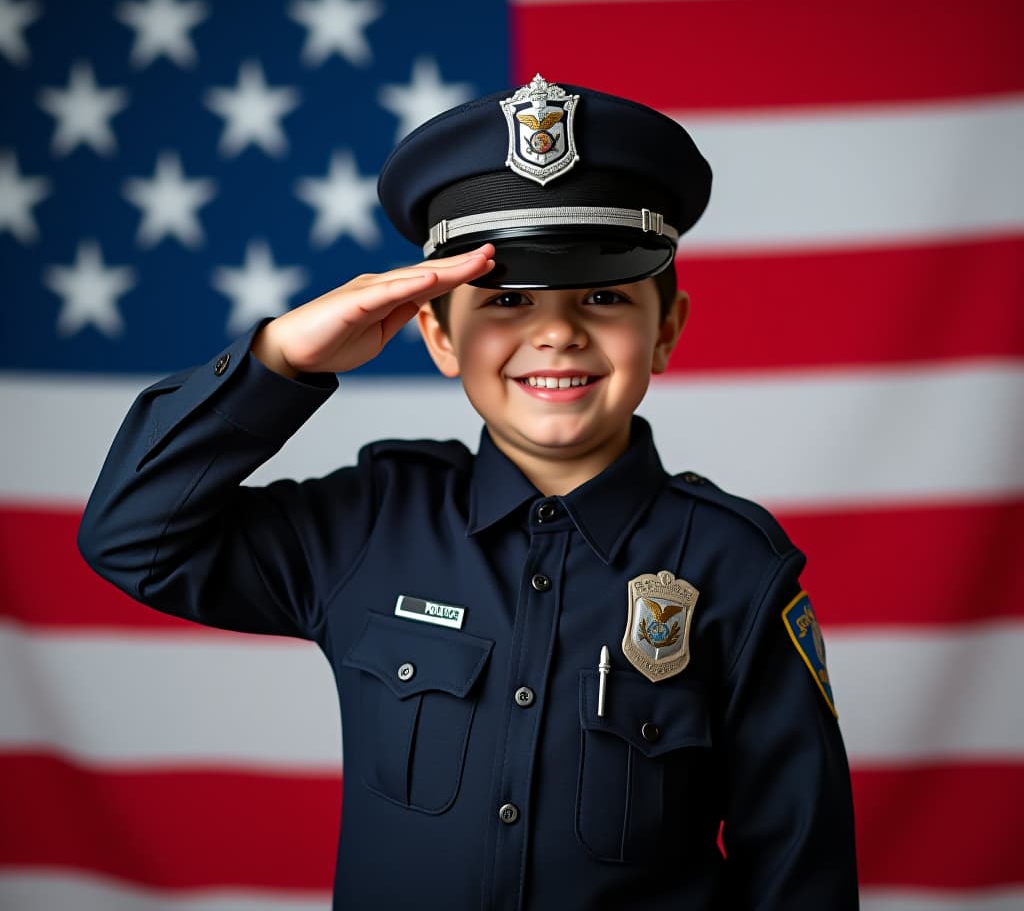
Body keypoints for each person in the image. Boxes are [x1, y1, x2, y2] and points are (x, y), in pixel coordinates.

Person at [78, 74, 859, 909]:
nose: (556, 331)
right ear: (438, 335)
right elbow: (134, 537)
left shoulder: (734, 565)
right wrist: (280, 360)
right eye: (506, 300)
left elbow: (798, 872)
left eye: (603, 295)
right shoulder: (370, 526)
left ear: (664, 331)